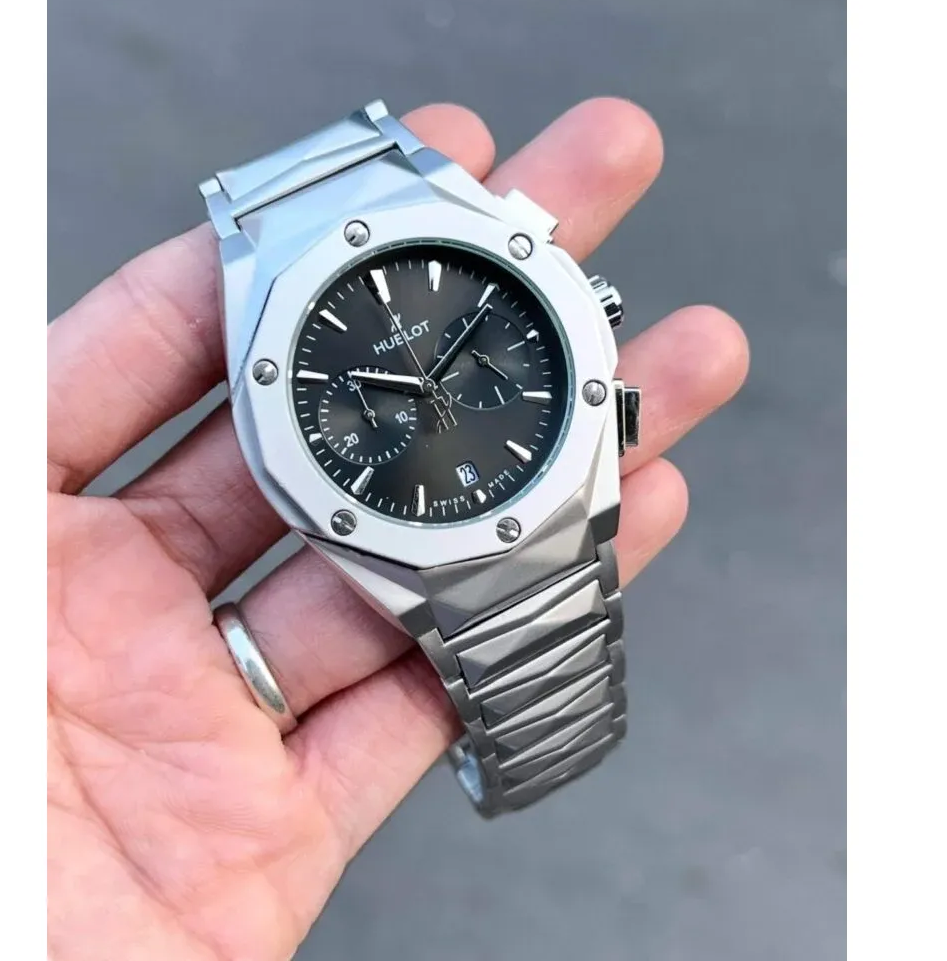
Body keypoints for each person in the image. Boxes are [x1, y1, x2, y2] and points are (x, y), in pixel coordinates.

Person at [48, 99, 750, 960]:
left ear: (590, 309)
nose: (426, 390)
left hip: (549, 502)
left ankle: (535, 742)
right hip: (421, 539)